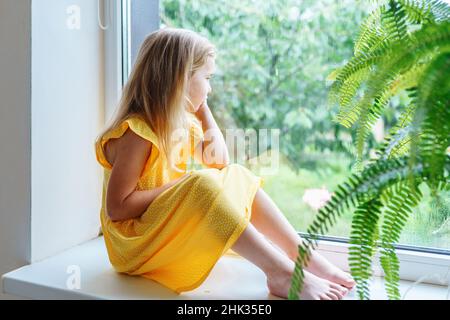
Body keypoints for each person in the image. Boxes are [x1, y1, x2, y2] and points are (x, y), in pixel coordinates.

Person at [94, 27, 356, 300]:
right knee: (200, 183)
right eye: (207, 78)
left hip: (160, 231)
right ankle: (281, 273)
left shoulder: (176, 124)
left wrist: (202, 108)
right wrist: (180, 186)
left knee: (237, 174)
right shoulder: (137, 133)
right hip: (135, 246)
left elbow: (219, 161)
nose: (210, 87)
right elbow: (118, 208)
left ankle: (301, 255)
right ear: (180, 80)